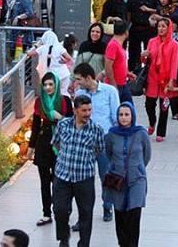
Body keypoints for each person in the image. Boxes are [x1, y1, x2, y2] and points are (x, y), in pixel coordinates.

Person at [52, 95, 107, 247]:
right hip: (63, 176)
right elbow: (56, 144)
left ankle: (84, 243)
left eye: (89, 110)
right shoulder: (63, 125)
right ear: (75, 110)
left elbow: (99, 150)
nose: (87, 113)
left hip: (84, 178)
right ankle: (64, 239)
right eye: (84, 110)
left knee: (86, 213)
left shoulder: (97, 130)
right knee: (60, 210)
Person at [72, 63, 120, 224]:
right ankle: (83, 215)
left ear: (88, 78)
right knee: (83, 180)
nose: (77, 83)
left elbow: (116, 118)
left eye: (79, 79)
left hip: (104, 140)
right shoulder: (80, 94)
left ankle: (108, 205)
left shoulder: (109, 92)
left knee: (105, 176)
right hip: (84, 142)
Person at [104, 101, 152, 247]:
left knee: (134, 215)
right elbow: (109, 153)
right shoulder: (112, 134)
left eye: (127, 114)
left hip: (137, 180)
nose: (123, 118)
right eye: (121, 115)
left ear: (132, 115)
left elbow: (147, 155)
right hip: (118, 180)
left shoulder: (141, 133)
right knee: (120, 216)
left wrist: (137, 168)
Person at [30, 70, 74, 227]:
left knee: (58, 180)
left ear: (56, 84)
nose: (48, 87)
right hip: (44, 142)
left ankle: (60, 210)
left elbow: (72, 124)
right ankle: (46, 213)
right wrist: (31, 146)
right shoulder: (39, 102)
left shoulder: (65, 101)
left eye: (51, 84)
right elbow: (35, 125)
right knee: (43, 180)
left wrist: (60, 118)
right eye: (45, 85)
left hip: (60, 144)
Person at [143, 18, 178, 142]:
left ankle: (161, 132)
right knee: (149, 104)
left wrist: (171, 80)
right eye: (159, 26)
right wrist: (143, 56)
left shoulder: (174, 44)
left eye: (164, 26)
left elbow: (174, 63)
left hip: (166, 80)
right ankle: (152, 122)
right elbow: (146, 61)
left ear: (168, 28)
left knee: (164, 107)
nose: (161, 29)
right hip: (153, 77)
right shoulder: (152, 41)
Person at [105, 19, 134, 102]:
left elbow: (117, 64)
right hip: (116, 84)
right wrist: (113, 84)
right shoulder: (113, 45)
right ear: (126, 32)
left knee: (129, 108)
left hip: (122, 83)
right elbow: (108, 66)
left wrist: (127, 73)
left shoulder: (118, 45)